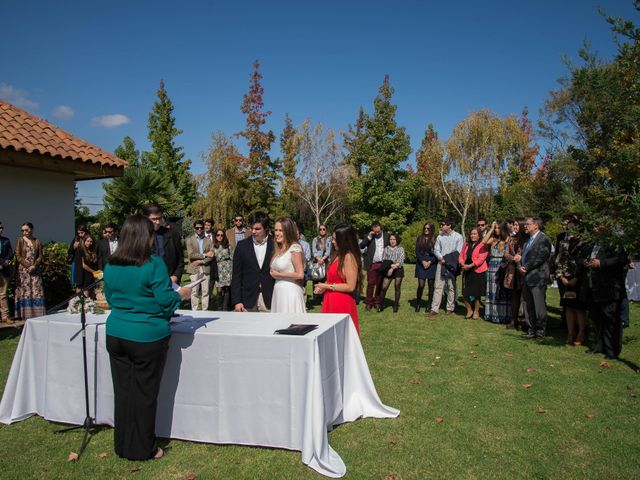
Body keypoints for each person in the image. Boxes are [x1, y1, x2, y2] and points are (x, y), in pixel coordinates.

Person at [104, 214, 191, 461]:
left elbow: (111, 299)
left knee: (123, 393)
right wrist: (181, 295)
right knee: (144, 395)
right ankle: (144, 448)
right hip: (147, 337)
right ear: (146, 237)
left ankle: (123, 444)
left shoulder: (111, 265)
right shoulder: (153, 264)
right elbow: (166, 302)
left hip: (117, 333)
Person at [580, 227, 628, 359]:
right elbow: (582, 256)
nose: (594, 229)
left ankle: (611, 350)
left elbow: (622, 260)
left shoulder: (614, 243)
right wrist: (584, 262)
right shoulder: (591, 244)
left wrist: (601, 263)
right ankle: (597, 345)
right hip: (593, 288)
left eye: (597, 226)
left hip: (609, 288)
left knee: (610, 320)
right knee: (596, 318)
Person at [314, 223, 363, 333]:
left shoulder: (349, 257)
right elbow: (334, 278)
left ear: (344, 240)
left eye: (335, 239)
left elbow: (350, 286)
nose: (332, 241)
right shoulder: (338, 255)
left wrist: (326, 286)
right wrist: (323, 287)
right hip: (330, 301)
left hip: (341, 304)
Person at [230, 211, 275, 312]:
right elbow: (236, 275)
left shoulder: (275, 245)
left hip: (270, 298)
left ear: (266, 228)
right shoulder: (242, 246)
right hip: (247, 299)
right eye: (252, 228)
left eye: (258, 229)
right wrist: (237, 301)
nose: (253, 231)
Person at [555, 220, 587, 345]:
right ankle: (570, 332)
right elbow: (558, 260)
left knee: (578, 308)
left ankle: (581, 333)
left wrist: (576, 278)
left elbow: (584, 262)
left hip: (577, 279)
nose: (570, 232)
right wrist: (560, 276)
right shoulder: (563, 243)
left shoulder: (583, 244)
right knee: (568, 307)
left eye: (573, 229)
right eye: (568, 229)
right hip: (565, 278)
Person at [520, 217, 552, 338]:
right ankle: (531, 328)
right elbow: (523, 256)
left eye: (528, 224)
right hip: (527, 277)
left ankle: (540, 330)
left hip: (537, 277)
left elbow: (541, 257)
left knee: (538, 305)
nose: (525, 226)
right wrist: (521, 266)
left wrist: (526, 267)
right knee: (528, 305)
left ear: (536, 226)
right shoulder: (528, 240)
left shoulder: (543, 239)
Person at [427, 218, 463, 316]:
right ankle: (434, 309)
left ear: (449, 225)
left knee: (451, 286)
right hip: (441, 263)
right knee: (438, 286)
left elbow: (458, 251)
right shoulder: (440, 237)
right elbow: (436, 250)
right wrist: (441, 258)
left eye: (443, 224)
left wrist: (448, 260)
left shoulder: (458, 237)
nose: (441, 226)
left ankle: (450, 307)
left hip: (452, 264)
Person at [270, 217, 306, 313]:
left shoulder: (294, 248)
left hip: (290, 293)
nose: (277, 233)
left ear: (288, 231)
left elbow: (300, 274)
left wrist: (279, 275)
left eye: (281, 230)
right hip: (279, 292)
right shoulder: (279, 249)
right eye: (276, 230)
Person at [142, 204, 184, 284]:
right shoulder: (139, 236)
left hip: (170, 280)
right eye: (154, 219)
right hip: (148, 283)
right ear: (145, 218)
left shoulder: (172, 234)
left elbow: (180, 258)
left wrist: (176, 276)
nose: (157, 222)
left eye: (159, 218)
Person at [14, 222, 46, 320]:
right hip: (24, 271)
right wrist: (28, 266)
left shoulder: (37, 241)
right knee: (26, 292)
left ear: (31, 229)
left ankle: (37, 314)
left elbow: (41, 255)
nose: (24, 232)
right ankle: (25, 314)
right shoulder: (19, 240)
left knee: (36, 291)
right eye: (22, 230)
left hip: (35, 270)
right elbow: (18, 255)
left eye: (26, 230)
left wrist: (34, 266)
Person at [482, 221, 511, 324]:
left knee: (501, 290)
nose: (496, 230)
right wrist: (491, 228)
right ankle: (492, 314)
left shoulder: (508, 239)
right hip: (492, 266)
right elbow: (484, 242)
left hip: (502, 265)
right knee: (492, 290)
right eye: (495, 228)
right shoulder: (493, 239)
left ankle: (503, 315)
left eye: (498, 228)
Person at [359, 221, 390, 312]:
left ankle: (377, 302)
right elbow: (361, 246)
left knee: (379, 284)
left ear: (381, 228)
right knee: (371, 284)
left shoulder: (387, 236)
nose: (376, 233)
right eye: (375, 232)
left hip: (383, 263)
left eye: (378, 232)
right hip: (372, 263)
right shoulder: (370, 237)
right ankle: (368, 303)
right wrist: (369, 237)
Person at [459, 228, 489, 319]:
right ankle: (469, 310)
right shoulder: (466, 244)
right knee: (465, 294)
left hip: (477, 271)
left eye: (475, 234)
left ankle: (476, 311)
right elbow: (461, 255)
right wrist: (462, 263)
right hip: (466, 270)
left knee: (476, 294)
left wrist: (471, 266)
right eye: (471, 234)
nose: (473, 235)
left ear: (479, 235)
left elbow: (481, 259)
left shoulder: (482, 245)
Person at [185, 220, 214, 310]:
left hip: (205, 267)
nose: (199, 229)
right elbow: (191, 255)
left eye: (201, 227)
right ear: (194, 228)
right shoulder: (189, 240)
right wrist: (204, 255)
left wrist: (201, 261)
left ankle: (205, 310)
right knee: (194, 291)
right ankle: (195, 310)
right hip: (194, 268)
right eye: (197, 228)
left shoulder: (208, 240)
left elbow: (212, 255)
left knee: (205, 291)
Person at [503, 217, 526, 329]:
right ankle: (513, 320)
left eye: (517, 225)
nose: (515, 227)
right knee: (514, 296)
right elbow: (506, 253)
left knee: (525, 297)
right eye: (514, 225)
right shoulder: (511, 239)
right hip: (513, 271)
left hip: (523, 270)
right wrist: (513, 258)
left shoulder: (527, 239)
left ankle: (524, 320)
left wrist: (520, 258)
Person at [379, 234, 405, 313]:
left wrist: (394, 267)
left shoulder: (401, 248)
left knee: (397, 287)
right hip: (388, 269)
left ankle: (395, 305)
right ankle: (381, 304)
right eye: (391, 239)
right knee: (384, 287)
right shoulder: (386, 248)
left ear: (397, 240)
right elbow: (384, 259)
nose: (392, 241)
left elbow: (401, 260)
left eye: (394, 239)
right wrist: (390, 267)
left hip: (398, 269)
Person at [213, 228, 233, 310]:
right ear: (216, 236)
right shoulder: (213, 246)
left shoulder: (228, 246)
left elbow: (232, 257)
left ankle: (225, 307)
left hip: (228, 268)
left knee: (227, 288)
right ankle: (219, 307)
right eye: (218, 235)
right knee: (219, 289)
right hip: (218, 269)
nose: (220, 237)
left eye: (222, 235)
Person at [73, 234, 99, 299]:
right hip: (83, 276)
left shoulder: (92, 251)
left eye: (91, 241)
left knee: (92, 296)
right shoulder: (80, 250)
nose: (89, 243)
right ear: (84, 241)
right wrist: (94, 272)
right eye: (87, 241)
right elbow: (83, 265)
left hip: (90, 277)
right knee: (85, 297)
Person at [0, 221, 14, 324]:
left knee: (3, 295)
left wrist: (4, 262)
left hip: (4, 271)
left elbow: (10, 254)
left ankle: (5, 317)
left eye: (2, 228)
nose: (1, 229)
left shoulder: (6, 240)